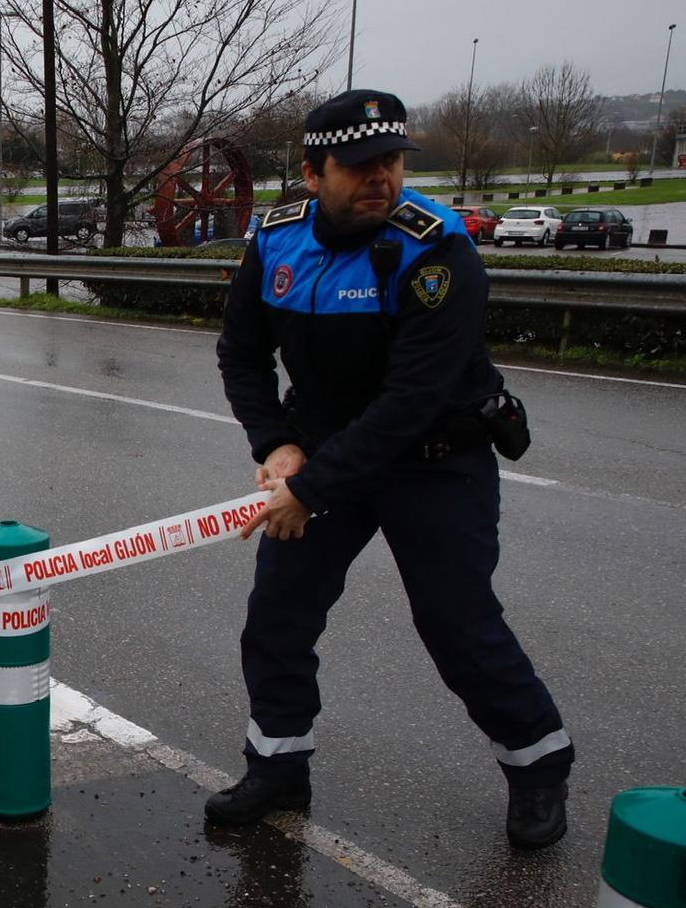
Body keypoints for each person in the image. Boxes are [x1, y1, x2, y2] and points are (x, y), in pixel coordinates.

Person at [209, 88, 572, 849]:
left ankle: (539, 761)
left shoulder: (434, 249)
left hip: (433, 461)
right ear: (313, 175)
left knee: (456, 623)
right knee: (278, 615)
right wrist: (275, 446)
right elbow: (241, 356)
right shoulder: (275, 240)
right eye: (360, 166)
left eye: (393, 162)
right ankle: (277, 767)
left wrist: (307, 487)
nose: (382, 178)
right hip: (321, 456)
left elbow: (411, 402)